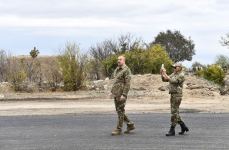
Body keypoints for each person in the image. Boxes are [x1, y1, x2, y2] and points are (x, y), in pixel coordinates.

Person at [160, 63, 189, 136]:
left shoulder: (181, 75)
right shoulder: (174, 73)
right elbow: (165, 79)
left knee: (174, 113)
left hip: (177, 95)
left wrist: (165, 73)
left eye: (175, 67)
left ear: (180, 68)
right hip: (173, 94)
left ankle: (172, 130)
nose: (174, 68)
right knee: (175, 112)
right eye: (174, 67)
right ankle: (183, 126)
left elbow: (173, 81)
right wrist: (162, 74)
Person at [110, 55, 135, 136]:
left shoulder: (126, 70)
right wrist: (113, 92)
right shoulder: (117, 69)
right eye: (118, 59)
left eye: (120, 59)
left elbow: (127, 83)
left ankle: (119, 129)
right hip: (116, 93)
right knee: (119, 111)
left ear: (124, 60)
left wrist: (124, 94)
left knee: (120, 111)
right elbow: (116, 82)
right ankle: (130, 124)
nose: (118, 61)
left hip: (121, 94)